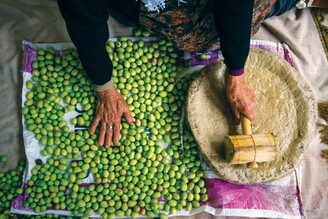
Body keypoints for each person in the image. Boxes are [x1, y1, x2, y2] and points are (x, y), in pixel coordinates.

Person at [57, 0, 297, 147]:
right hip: (138, 5)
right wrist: (105, 87)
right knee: (200, 37)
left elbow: (235, 6)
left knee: (244, 16)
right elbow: (83, 18)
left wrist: (235, 72)